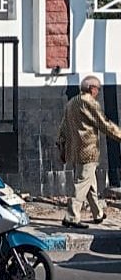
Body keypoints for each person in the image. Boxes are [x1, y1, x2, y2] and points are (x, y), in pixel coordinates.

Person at [57, 74, 121, 228]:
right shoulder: (89, 102)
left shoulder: (72, 103)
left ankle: (97, 213)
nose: (98, 92)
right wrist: (119, 135)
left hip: (75, 149)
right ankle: (71, 217)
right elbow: (103, 123)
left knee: (89, 183)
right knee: (82, 183)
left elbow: (63, 127)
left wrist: (61, 144)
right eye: (97, 89)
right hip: (88, 149)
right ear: (92, 88)